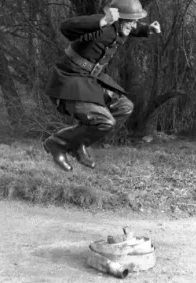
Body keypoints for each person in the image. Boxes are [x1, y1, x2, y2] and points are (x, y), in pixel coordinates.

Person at [43, 0, 161, 172]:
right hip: (69, 80)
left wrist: (147, 29)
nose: (134, 25)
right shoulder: (101, 25)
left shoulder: (121, 27)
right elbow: (66, 27)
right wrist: (102, 21)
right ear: (118, 19)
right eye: (131, 21)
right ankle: (57, 144)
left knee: (124, 107)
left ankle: (77, 144)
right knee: (105, 121)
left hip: (90, 80)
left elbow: (131, 28)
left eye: (135, 21)